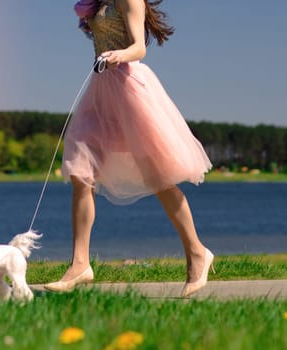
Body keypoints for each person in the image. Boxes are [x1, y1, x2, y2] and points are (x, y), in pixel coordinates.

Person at [44, 0, 214, 297]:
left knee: (159, 177)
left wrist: (116, 55)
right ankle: (80, 264)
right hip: (100, 91)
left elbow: (139, 47)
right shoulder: (100, 2)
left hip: (129, 89)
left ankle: (198, 253)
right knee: (80, 170)